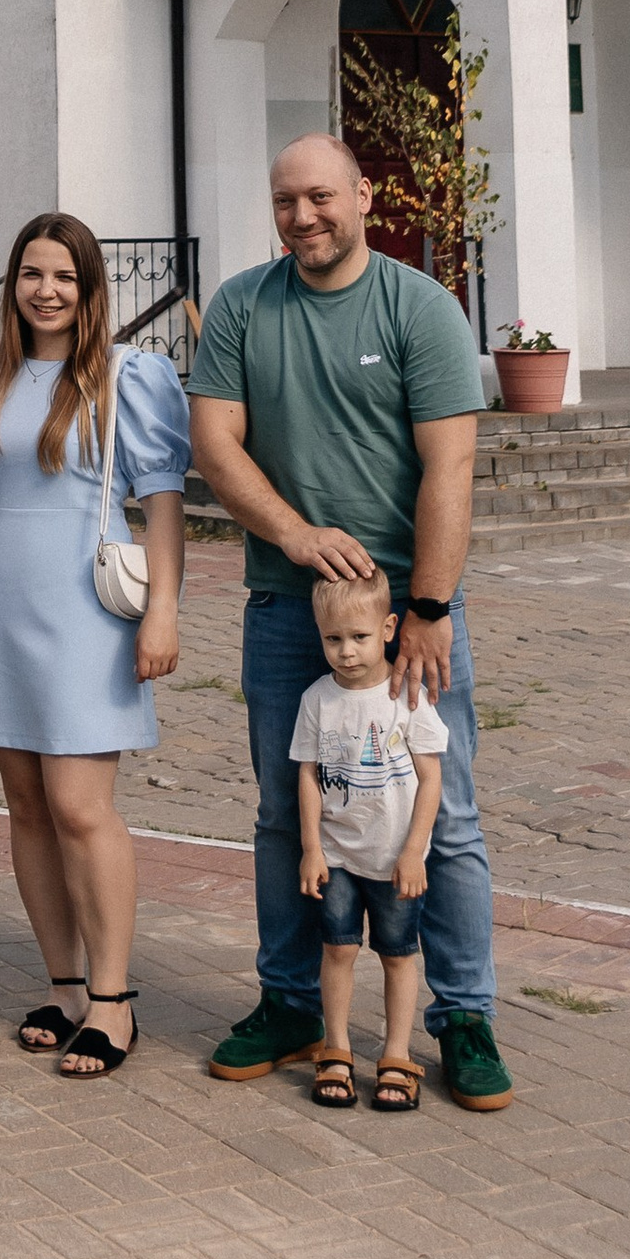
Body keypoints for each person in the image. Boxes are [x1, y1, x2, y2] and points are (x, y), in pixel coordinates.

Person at [189, 133, 515, 1113]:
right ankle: (291, 1003)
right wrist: (289, 534)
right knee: (286, 812)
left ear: (362, 196)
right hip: (287, 612)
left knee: (441, 814)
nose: (304, 218)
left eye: (321, 198)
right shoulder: (244, 307)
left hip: (403, 614)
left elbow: (449, 469)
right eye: (286, 201)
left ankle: (462, 1018)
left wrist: (427, 607)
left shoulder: (418, 307)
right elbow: (215, 444)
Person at [0, 214, 189, 1079]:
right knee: (26, 806)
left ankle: (116, 1001)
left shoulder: (132, 375)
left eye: (65, 276)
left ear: (91, 289)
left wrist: (163, 610)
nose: (46, 290)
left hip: (87, 608)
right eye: (30, 273)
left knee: (83, 807)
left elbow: (162, 500)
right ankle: (64, 986)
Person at [291, 567, 445, 1112]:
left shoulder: (407, 697)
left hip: (395, 861)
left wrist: (412, 852)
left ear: (388, 628)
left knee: (399, 955)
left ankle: (398, 1056)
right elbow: (307, 775)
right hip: (337, 857)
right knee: (337, 950)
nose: (346, 652)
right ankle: (336, 1049)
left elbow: (431, 780)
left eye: (358, 637)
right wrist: (311, 847)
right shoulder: (317, 700)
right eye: (333, 639)